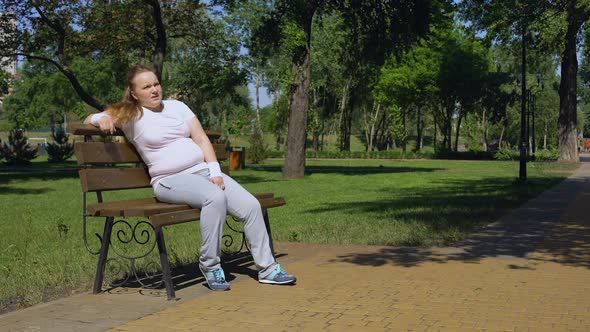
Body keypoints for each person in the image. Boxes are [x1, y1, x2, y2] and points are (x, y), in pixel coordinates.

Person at [84, 65, 296, 291]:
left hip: (203, 172)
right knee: (215, 198)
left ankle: (268, 268)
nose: (154, 90)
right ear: (135, 94)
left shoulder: (178, 106)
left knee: (252, 206)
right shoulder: (130, 114)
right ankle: (210, 265)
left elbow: (202, 138)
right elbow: (89, 119)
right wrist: (99, 118)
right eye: (147, 87)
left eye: (156, 84)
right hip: (169, 180)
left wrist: (215, 172)